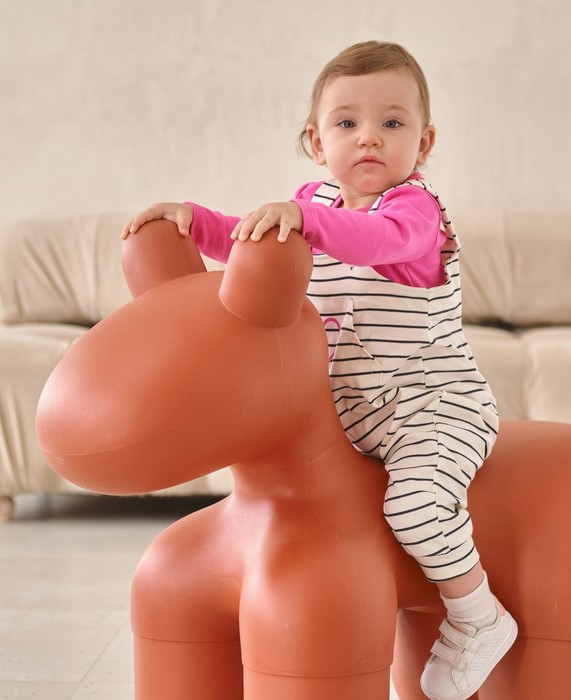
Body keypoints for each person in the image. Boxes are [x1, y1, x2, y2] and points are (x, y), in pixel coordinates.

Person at [122, 40, 516, 700]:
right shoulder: (312, 204)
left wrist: (308, 220)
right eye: (347, 122)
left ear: (424, 143)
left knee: (415, 507)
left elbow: (378, 240)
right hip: (350, 414)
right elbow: (255, 247)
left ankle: (477, 614)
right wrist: (197, 223)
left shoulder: (417, 213)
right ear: (316, 141)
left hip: (430, 408)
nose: (370, 137)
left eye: (392, 122)